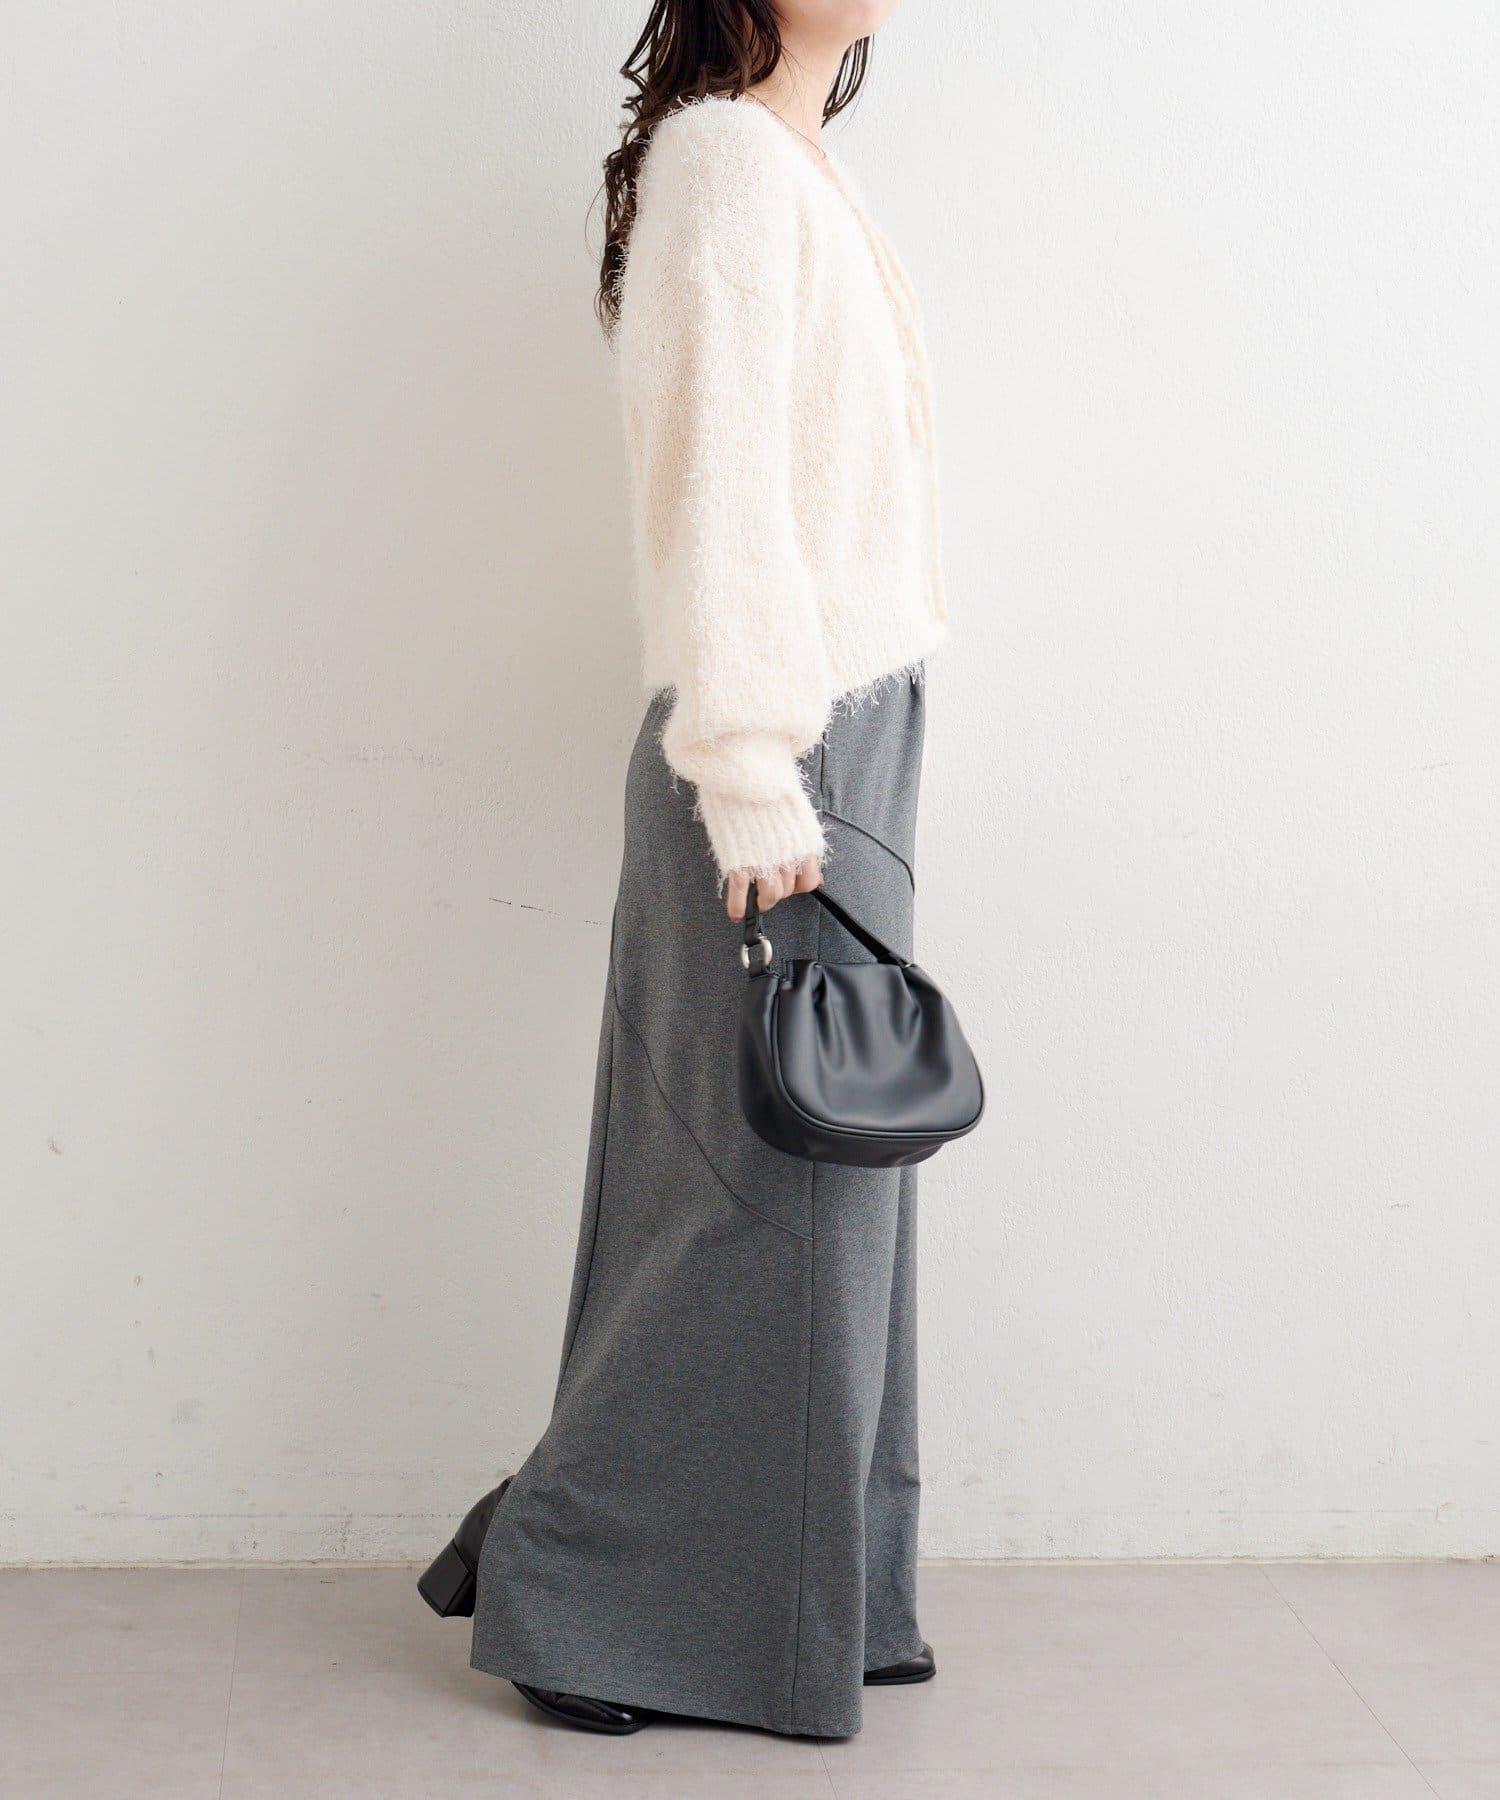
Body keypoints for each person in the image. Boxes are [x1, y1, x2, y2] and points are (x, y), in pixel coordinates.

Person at [420, 0, 950, 1739]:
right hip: (778, 744)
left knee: (837, 1188)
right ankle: (583, 1595)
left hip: (851, 726)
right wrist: (748, 768)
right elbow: (712, 488)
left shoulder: (801, 164)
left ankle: (819, 1597)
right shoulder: (724, 159)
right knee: (744, 1192)